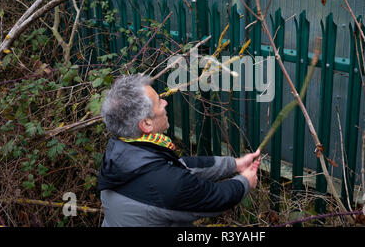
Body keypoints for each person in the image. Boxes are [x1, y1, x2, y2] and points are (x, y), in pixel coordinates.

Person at [98, 74, 261, 227]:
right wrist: (246, 181)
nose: (165, 103)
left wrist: (235, 164)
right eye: (159, 101)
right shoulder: (163, 183)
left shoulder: (120, 151)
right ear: (146, 124)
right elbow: (214, 198)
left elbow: (180, 166)